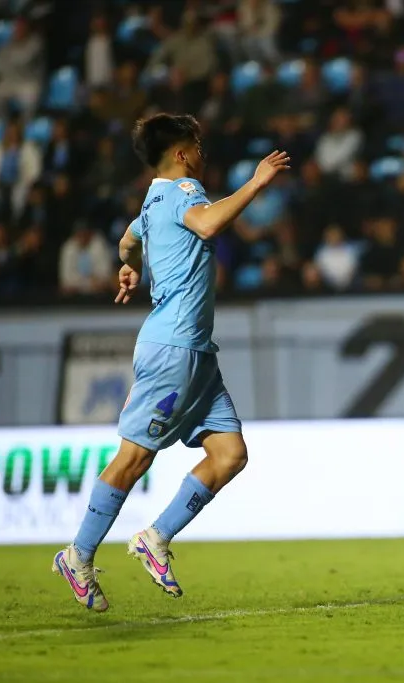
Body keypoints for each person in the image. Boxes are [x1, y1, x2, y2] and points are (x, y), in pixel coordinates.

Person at [52, 114, 291, 612]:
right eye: (197, 144)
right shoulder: (186, 190)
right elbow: (206, 224)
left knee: (229, 454)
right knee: (135, 457)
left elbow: (127, 241)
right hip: (174, 349)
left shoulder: (152, 197)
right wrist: (256, 183)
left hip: (197, 355)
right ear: (182, 153)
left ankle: (153, 538)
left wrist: (130, 268)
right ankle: (79, 553)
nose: (202, 151)